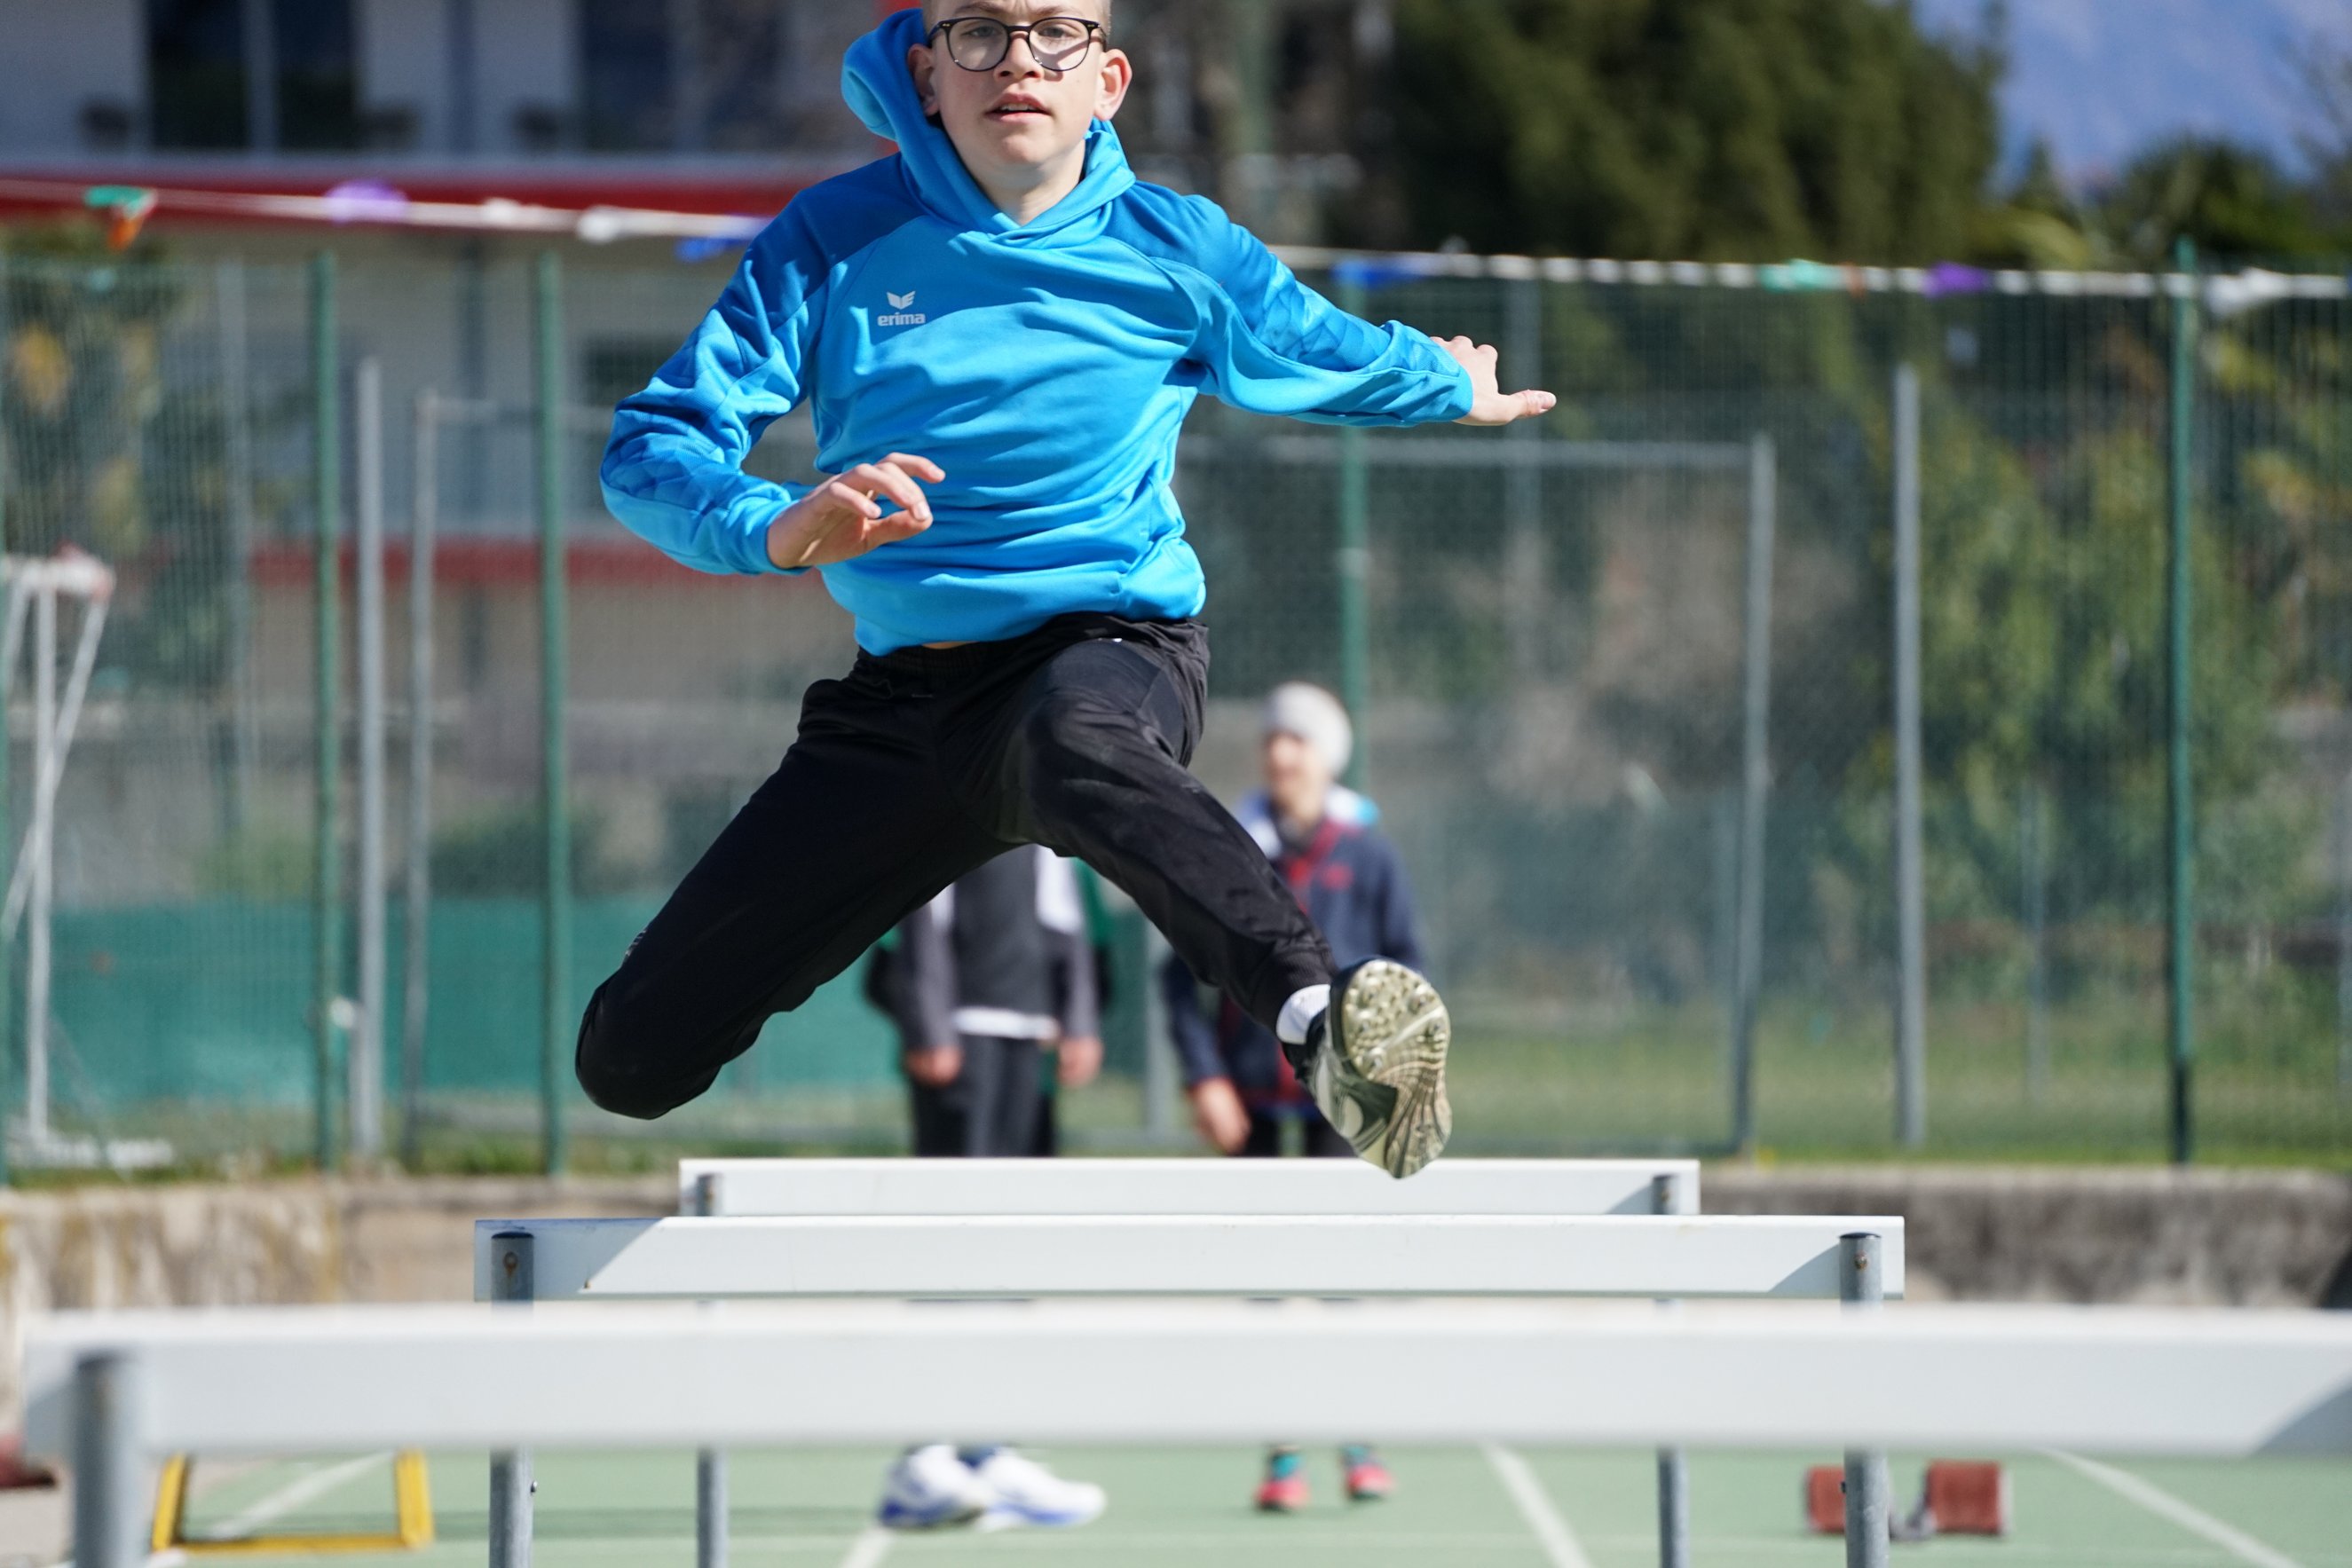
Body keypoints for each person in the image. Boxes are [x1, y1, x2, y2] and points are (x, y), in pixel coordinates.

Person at [578, 1, 1554, 1186]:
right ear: (925, 75)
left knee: (1066, 731)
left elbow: (1314, 345)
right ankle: (644, 1041)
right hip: (901, 706)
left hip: (1105, 649)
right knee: (629, 1056)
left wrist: (1445, 384)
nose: (1019, 61)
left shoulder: (1175, 247)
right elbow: (654, 446)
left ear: (1109, 80)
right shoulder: (832, 240)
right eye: (981, 33)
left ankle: (1324, 1027)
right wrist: (774, 527)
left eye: (1055, 32)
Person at [1164, 683, 1421, 1512]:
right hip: (1250, 1099)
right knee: (1267, 1279)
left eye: (1299, 740)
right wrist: (1204, 1075)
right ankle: (1282, 1453)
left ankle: (1358, 1439)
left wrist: (1389, 1068)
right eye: (1273, 738)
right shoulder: (1230, 845)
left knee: (1344, 1269)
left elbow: (1405, 969)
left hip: (1342, 1100)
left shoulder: (1369, 855)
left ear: (1328, 757)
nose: (1281, 754)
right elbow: (1179, 975)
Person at [866, 846, 1109, 1532]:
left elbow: (1065, 926)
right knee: (949, 1247)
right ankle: (923, 1457)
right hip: (959, 1046)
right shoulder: (950, 814)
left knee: (1009, 1247)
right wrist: (929, 1021)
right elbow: (920, 918)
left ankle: (985, 1448)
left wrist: (1079, 1019)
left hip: (1025, 1046)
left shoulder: (1047, 833)